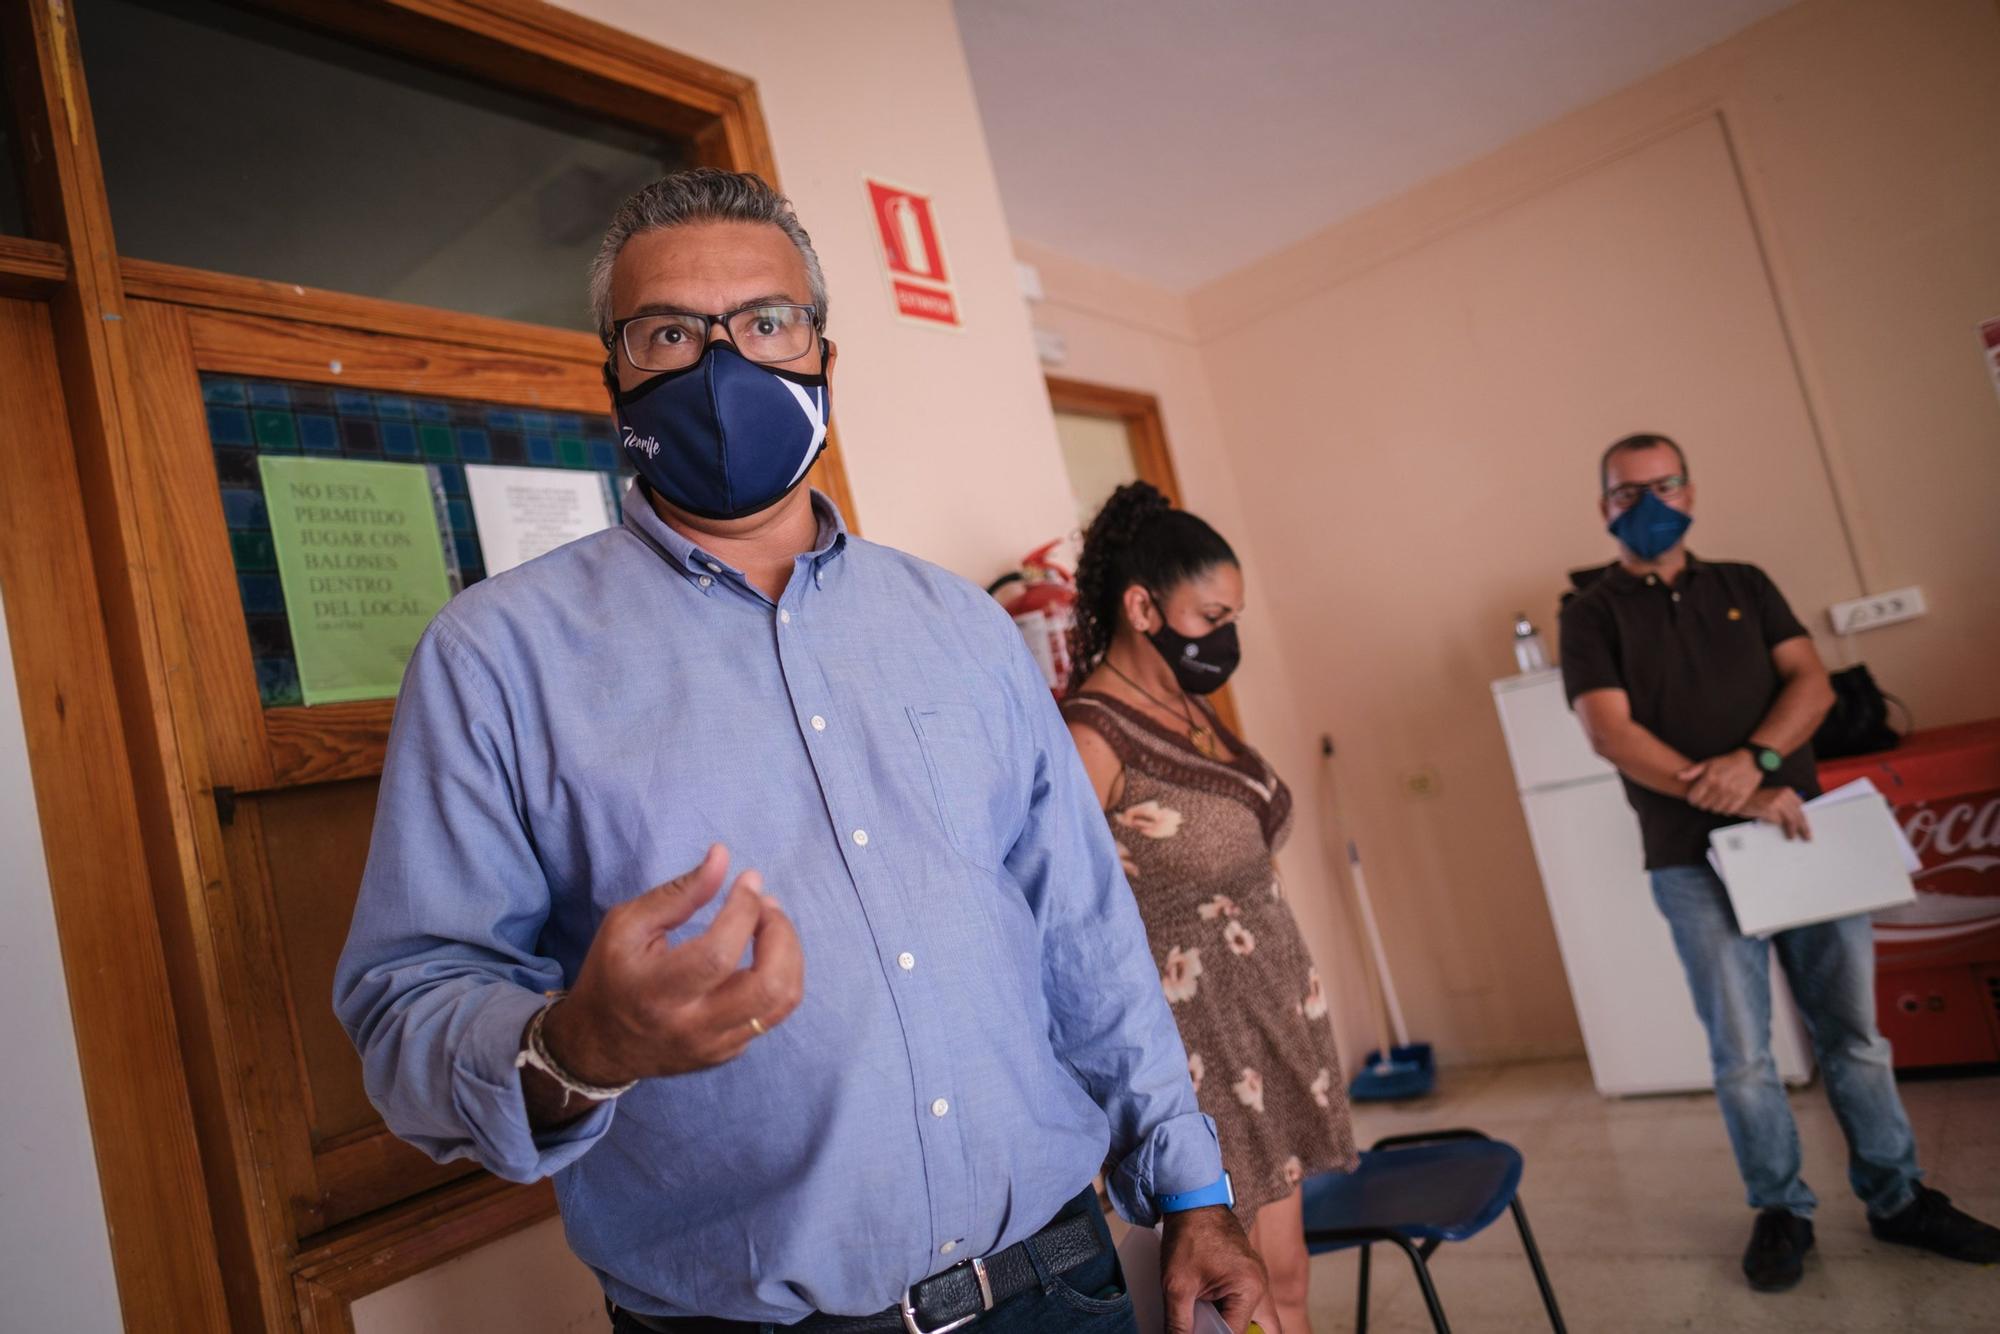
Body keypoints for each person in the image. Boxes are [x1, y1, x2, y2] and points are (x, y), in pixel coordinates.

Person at [333, 169, 1267, 1334]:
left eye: (765, 322)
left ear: (822, 353)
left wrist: (1191, 1187)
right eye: (670, 330)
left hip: (1056, 1284)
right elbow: (406, 1001)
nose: (724, 364)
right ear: (614, 374)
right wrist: (573, 1044)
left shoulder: (961, 628)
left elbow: (1083, 932)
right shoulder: (495, 657)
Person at [1559, 433, 2000, 1293]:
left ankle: (1898, 1197)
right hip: (1691, 861)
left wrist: (1755, 764)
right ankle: (1781, 1208)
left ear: (1690, 491)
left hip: (1802, 839)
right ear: (1604, 505)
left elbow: (1811, 684)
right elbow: (1611, 732)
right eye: (1625, 491)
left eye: (1663, 484)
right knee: (1743, 1055)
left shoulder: (1744, 584)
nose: (1646, 502)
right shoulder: (1591, 613)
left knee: (1855, 1038)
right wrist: (1737, 793)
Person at [1060, 482, 1358, 1334]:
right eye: (1210, 615)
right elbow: (1068, 923)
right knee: (1251, 1289)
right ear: (1143, 607)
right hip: (1200, 1049)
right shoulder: (1090, 736)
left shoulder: (1191, 709)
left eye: (1233, 617)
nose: (1225, 638)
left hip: (1267, 1023)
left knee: (1289, 1279)